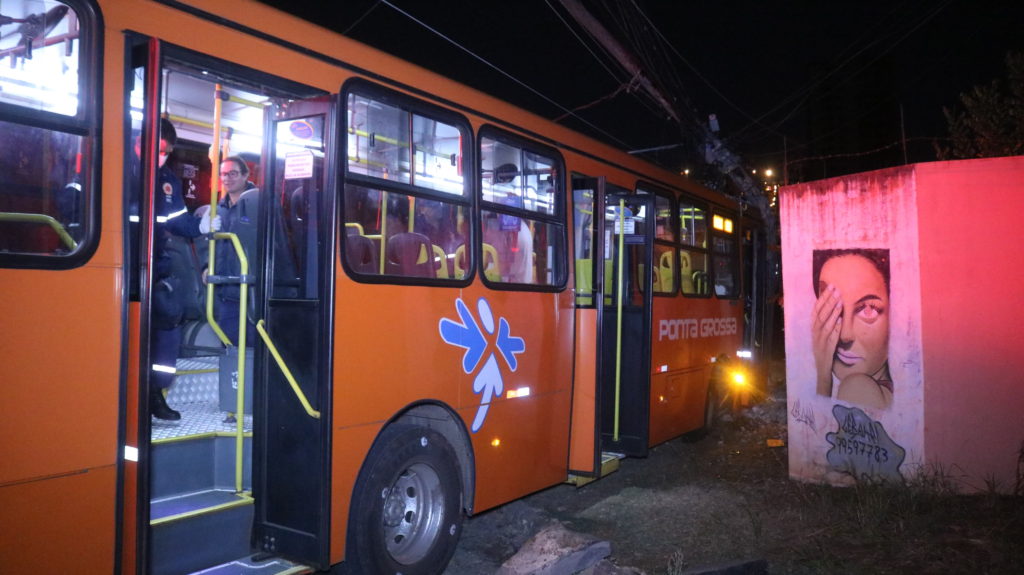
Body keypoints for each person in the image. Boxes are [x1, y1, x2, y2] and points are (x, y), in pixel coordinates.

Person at [142, 119, 221, 420]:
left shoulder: (168, 181)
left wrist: (199, 225)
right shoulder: (119, 166)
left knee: (166, 326)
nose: (161, 156)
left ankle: (155, 393)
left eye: (166, 152)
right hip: (123, 267)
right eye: (158, 149)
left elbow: (177, 221)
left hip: (155, 267)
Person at [810, 249, 892, 409]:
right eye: (831, 306)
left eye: (869, 309)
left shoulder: (857, 389)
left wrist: (823, 380)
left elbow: (819, 431)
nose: (845, 335)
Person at [203, 155, 258, 347]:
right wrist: (206, 267)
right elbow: (211, 246)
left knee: (253, 350)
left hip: (252, 292)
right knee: (230, 349)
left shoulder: (259, 204)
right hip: (227, 294)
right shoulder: (219, 210)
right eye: (223, 174)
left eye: (233, 173)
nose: (227, 178)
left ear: (245, 175)